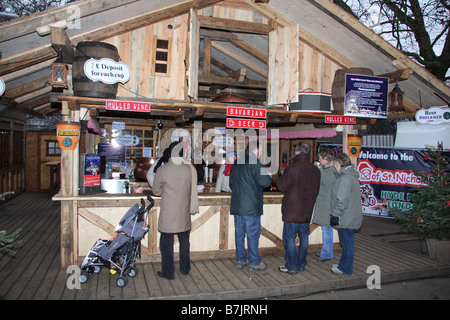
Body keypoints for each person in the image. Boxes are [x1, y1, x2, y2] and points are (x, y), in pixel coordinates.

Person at [152, 142, 199, 280]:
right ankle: (185, 269)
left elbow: (156, 191)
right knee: (184, 243)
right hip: (184, 212)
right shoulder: (190, 169)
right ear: (182, 154)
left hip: (168, 213)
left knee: (166, 245)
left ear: (169, 153)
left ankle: (168, 273)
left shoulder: (163, 169)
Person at [276, 142, 320, 274]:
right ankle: (301, 263)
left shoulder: (292, 169)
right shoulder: (315, 170)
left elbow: (281, 187)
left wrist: (280, 177)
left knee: (289, 238)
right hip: (307, 210)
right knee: (304, 238)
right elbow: (316, 191)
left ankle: (292, 266)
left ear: (298, 153)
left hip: (292, 211)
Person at [229, 140, 272, 271]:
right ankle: (254, 262)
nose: (262, 153)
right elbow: (265, 183)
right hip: (251, 206)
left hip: (237, 205)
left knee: (239, 234)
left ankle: (241, 260)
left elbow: (231, 183)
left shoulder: (237, 162)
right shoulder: (255, 162)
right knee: (253, 235)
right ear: (257, 150)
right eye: (261, 150)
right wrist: (268, 175)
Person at [330, 152, 362, 275]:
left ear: (339, 164)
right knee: (347, 242)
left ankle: (345, 268)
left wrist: (335, 214)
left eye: (335, 165)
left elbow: (341, 199)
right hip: (351, 215)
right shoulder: (351, 176)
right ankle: (343, 264)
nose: (334, 167)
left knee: (347, 244)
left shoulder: (345, 179)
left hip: (345, 217)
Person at [312, 148, 338, 262]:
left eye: (321, 158)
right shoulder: (328, 169)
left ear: (326, 159)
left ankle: (327, 253)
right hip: (324, 203)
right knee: (325, 229)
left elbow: (326, 181)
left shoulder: (331, 171)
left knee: (327, 230)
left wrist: (318, 169)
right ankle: (326, 251)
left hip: (327, 204)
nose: (319, 160)